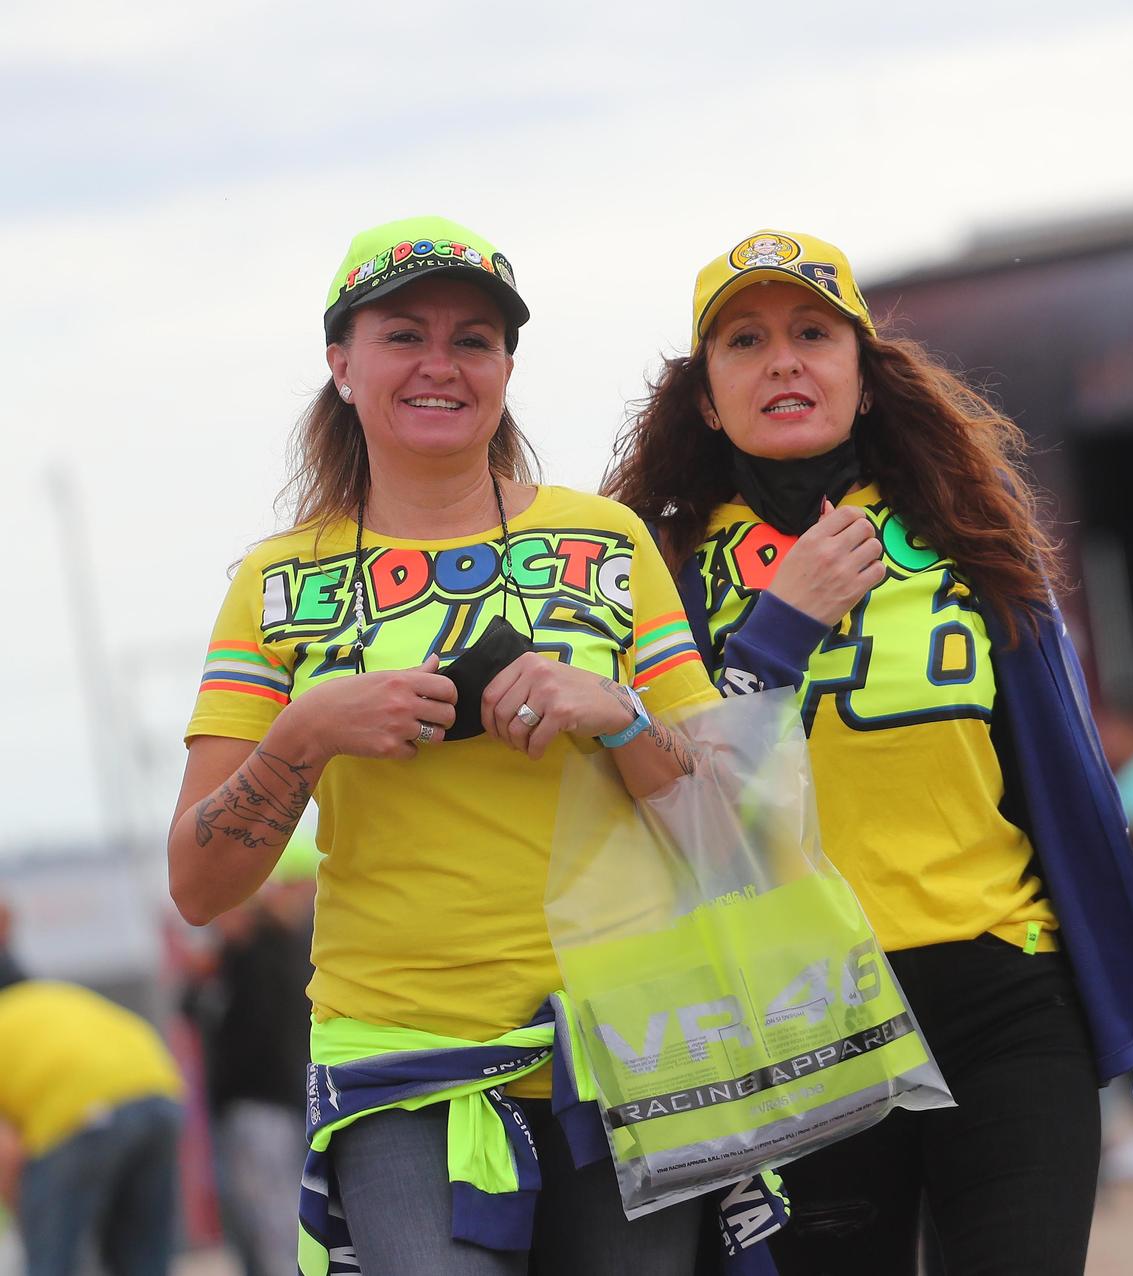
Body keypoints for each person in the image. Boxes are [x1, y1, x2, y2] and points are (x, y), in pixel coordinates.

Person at [603, 229, 1133, 1275]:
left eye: (813, 334)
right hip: (795, 1027)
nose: (783, 360)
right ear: (705, 396)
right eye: (744, 340)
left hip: (1006, 1005)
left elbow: (1072, 798)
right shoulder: (658, 579)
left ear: (864, 379)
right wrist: (777, 627)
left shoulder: (974, 543)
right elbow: (668, 821)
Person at [168, 216, 722, 1275]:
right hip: (399, 1058)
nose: (440, 364)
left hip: (630, 1042)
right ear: (341, 363)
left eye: (473, 338)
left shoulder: (607, 541)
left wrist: (619, 713)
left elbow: (726, 824)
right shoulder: (274, 583)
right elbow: (199, 884)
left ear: (507, 365)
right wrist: (306, 732)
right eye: (403, 335)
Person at [0, 899, 185, 1276]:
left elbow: (6, 1152)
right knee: (144, 1261)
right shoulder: (47, 998)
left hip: (80, 1113)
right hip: (159, 1092)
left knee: (52, 1262)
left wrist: (32, 1212)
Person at [181, 836, 318, 1276]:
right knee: (265, 1218)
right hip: (265, 1099)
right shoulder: (240, 952)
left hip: (272, 1099)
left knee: (279, 1219)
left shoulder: (279, 943)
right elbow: (192, 1007)